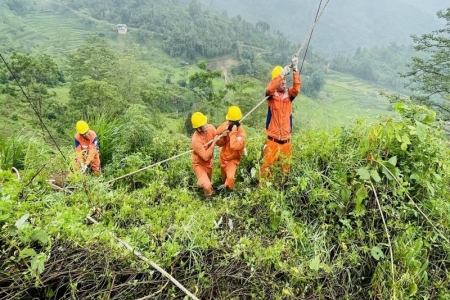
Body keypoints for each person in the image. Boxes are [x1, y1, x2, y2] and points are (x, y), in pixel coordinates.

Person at [261, 55, 301, 176]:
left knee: (285, 172)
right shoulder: (271, 96)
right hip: (272, 141)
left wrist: (295, 70)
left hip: (286, 142)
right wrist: (282, 74)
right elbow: (269, 88)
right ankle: (263, 193)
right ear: (276, 81)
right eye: (281, 80)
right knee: (266, 171)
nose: (283, 82)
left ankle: (281, 190)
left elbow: (297, 88)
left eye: (284, 80)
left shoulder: (289, 95)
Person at [215, 106, 247, 190]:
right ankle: (223, 187)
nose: (228, 122)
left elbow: (234, 145)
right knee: (224, 179)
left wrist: (233, 132)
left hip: (232, 161)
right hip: (223, 158)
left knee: (230, 178)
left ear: (235, 122)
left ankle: (228, 193)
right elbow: (217, 132)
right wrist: (225, 130)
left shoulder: (241, 134)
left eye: (230, 121)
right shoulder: (227, 125)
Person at [190, 112, 220, 197]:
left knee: (208, 183)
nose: (206, 124)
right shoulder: (195, 140)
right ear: (198, 129)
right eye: (204, 124)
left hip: (209, 163)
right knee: (207, 186)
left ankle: (203, 185)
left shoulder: (210, 128)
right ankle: (208, 200)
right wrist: (213, 143)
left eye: (206, 122)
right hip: (199, 164)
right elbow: (205, 157)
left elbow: (218, 136)